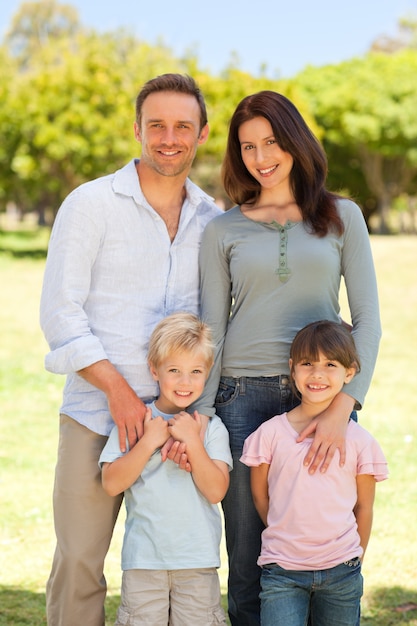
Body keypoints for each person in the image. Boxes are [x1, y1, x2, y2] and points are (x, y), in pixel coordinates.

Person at [39, 73, 222, 626]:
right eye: (157, 125)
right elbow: (60, 314)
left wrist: (196, 417)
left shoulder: (213, 220)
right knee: (80, 561)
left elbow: (215, 321)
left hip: (181, 423)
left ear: (202, 133)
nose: (169, 138)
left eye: (182, 126)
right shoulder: (91, 204)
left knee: (179, 568)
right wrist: (119, 391)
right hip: (99, 412)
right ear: (137, 129)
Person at [196, 90, 381, 625]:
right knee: (250, 554)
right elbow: (212, 327)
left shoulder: (342, 215)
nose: (261, 156)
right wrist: (202, 414)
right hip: (240, 398)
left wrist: (346, 403)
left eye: (272, 141)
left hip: (321, 395)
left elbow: (367, 319)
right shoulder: (222, 229)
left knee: (324, 538)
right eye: (248, 146)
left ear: (295, 141)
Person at [240, 320, 388, 626]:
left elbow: (364, 507)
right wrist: (287, 532)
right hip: (282, 571)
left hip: (342, 572)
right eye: (308, 363)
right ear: (292, 368)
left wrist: (355, 557)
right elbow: (260, 495)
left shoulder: (360, 441)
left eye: (330, 364)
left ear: (350, 372)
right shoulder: (269, 435)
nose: (317, 374)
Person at [99, 312, 232, 625]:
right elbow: (111, 483)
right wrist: (147, 443)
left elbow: (216, 490)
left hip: (197, 563)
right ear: (154, 369)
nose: (185, 382)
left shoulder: (211, 429)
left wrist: (193, 442)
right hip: (144, 562)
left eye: (195, 371)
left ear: (207, 372)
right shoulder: (136, 421)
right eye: (174, 370)